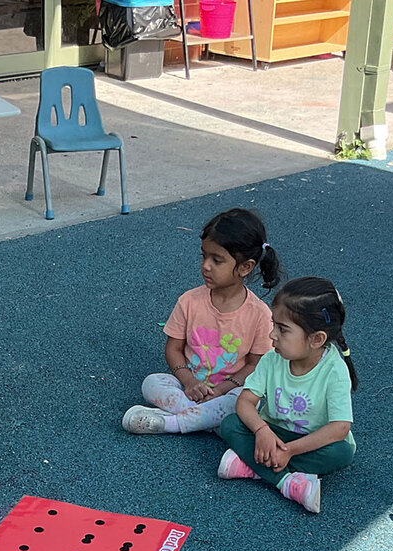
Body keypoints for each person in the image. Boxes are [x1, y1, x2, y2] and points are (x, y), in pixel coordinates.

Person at [120, 207, 279, 436]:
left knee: (242, 403)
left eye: (217, 260)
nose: (206, 265)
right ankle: (207, 421)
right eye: (204, 256)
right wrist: (190, 382)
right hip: (188, 388)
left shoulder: (259, 314)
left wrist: (222, 389)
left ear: (245, 267)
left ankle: (170, 423)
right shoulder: (189, 301)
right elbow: (173, 348)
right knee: (151, 382)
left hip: (228, 391)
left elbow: (255, 365)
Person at [214, 276, 358, 515]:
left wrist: (289, 450)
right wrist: (262, 431)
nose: (272, 335)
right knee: (231, 424)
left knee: (342, 452)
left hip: (310, 441)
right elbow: (245, 401)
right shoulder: (272, 358)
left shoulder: (334, 370)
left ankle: (253, 465)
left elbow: (340, 428)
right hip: (272, 433)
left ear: (316, 339)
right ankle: (288, 482)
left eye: (283, 329)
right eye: (274, 324)